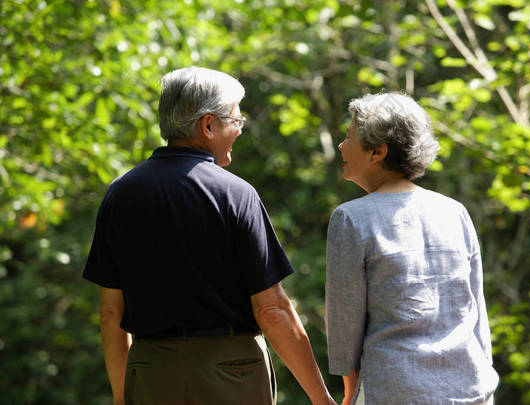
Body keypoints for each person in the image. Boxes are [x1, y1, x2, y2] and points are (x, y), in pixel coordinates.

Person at [83, 66, 336, 405]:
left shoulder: (119, 195)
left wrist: (122, 395)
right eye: (237, 121)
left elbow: (110, 313)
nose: (240, 130)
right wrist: (322, 398)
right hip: (233, 373)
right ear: (207, 125)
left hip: (150, 372)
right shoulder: (236, 194)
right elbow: (272, 309)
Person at [325, 92, 499, 405]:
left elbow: (344, 324)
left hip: (394, 390)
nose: (341, 145)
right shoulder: (454, 211)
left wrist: (351, 391)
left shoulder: (350, 218)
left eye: (349, 137)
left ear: (377, 151)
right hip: (471, 390)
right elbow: (475, 310)